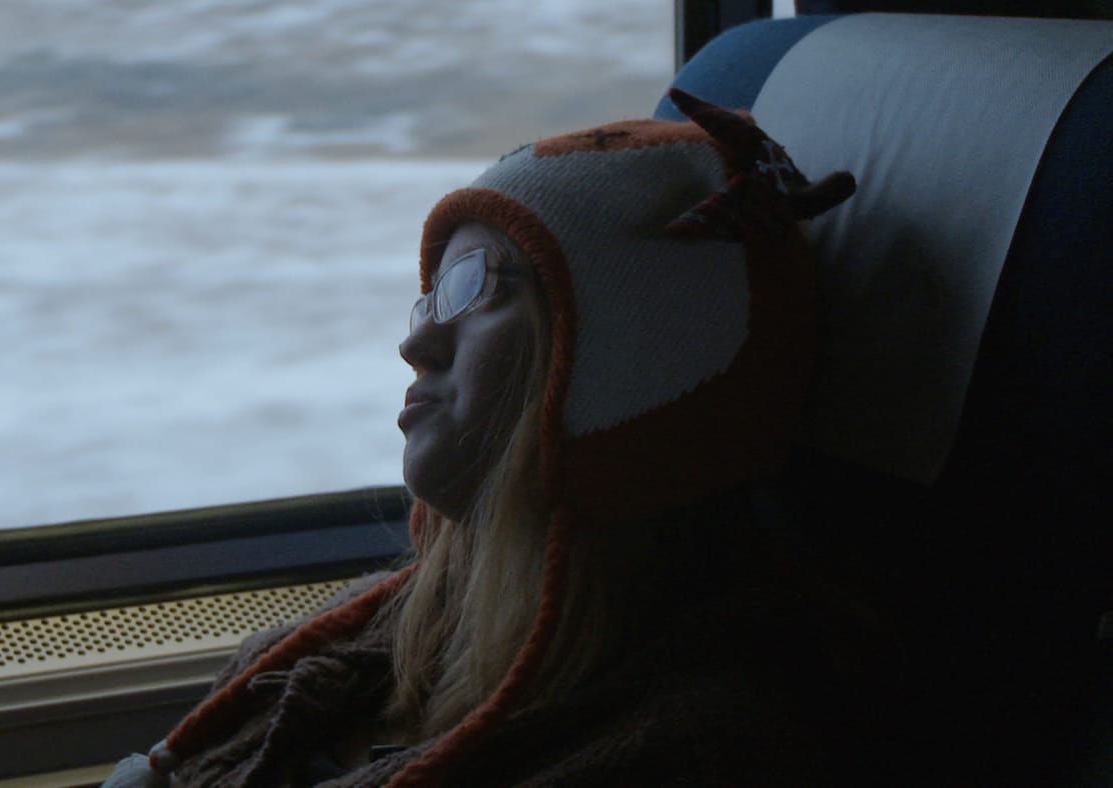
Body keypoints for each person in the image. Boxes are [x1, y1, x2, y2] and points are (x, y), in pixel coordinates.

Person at [103, 89, 897, 787]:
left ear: (629, 361)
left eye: (472, 288)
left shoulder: (693, 750)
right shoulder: (348, 639)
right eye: (428, 299)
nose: (416, 344)